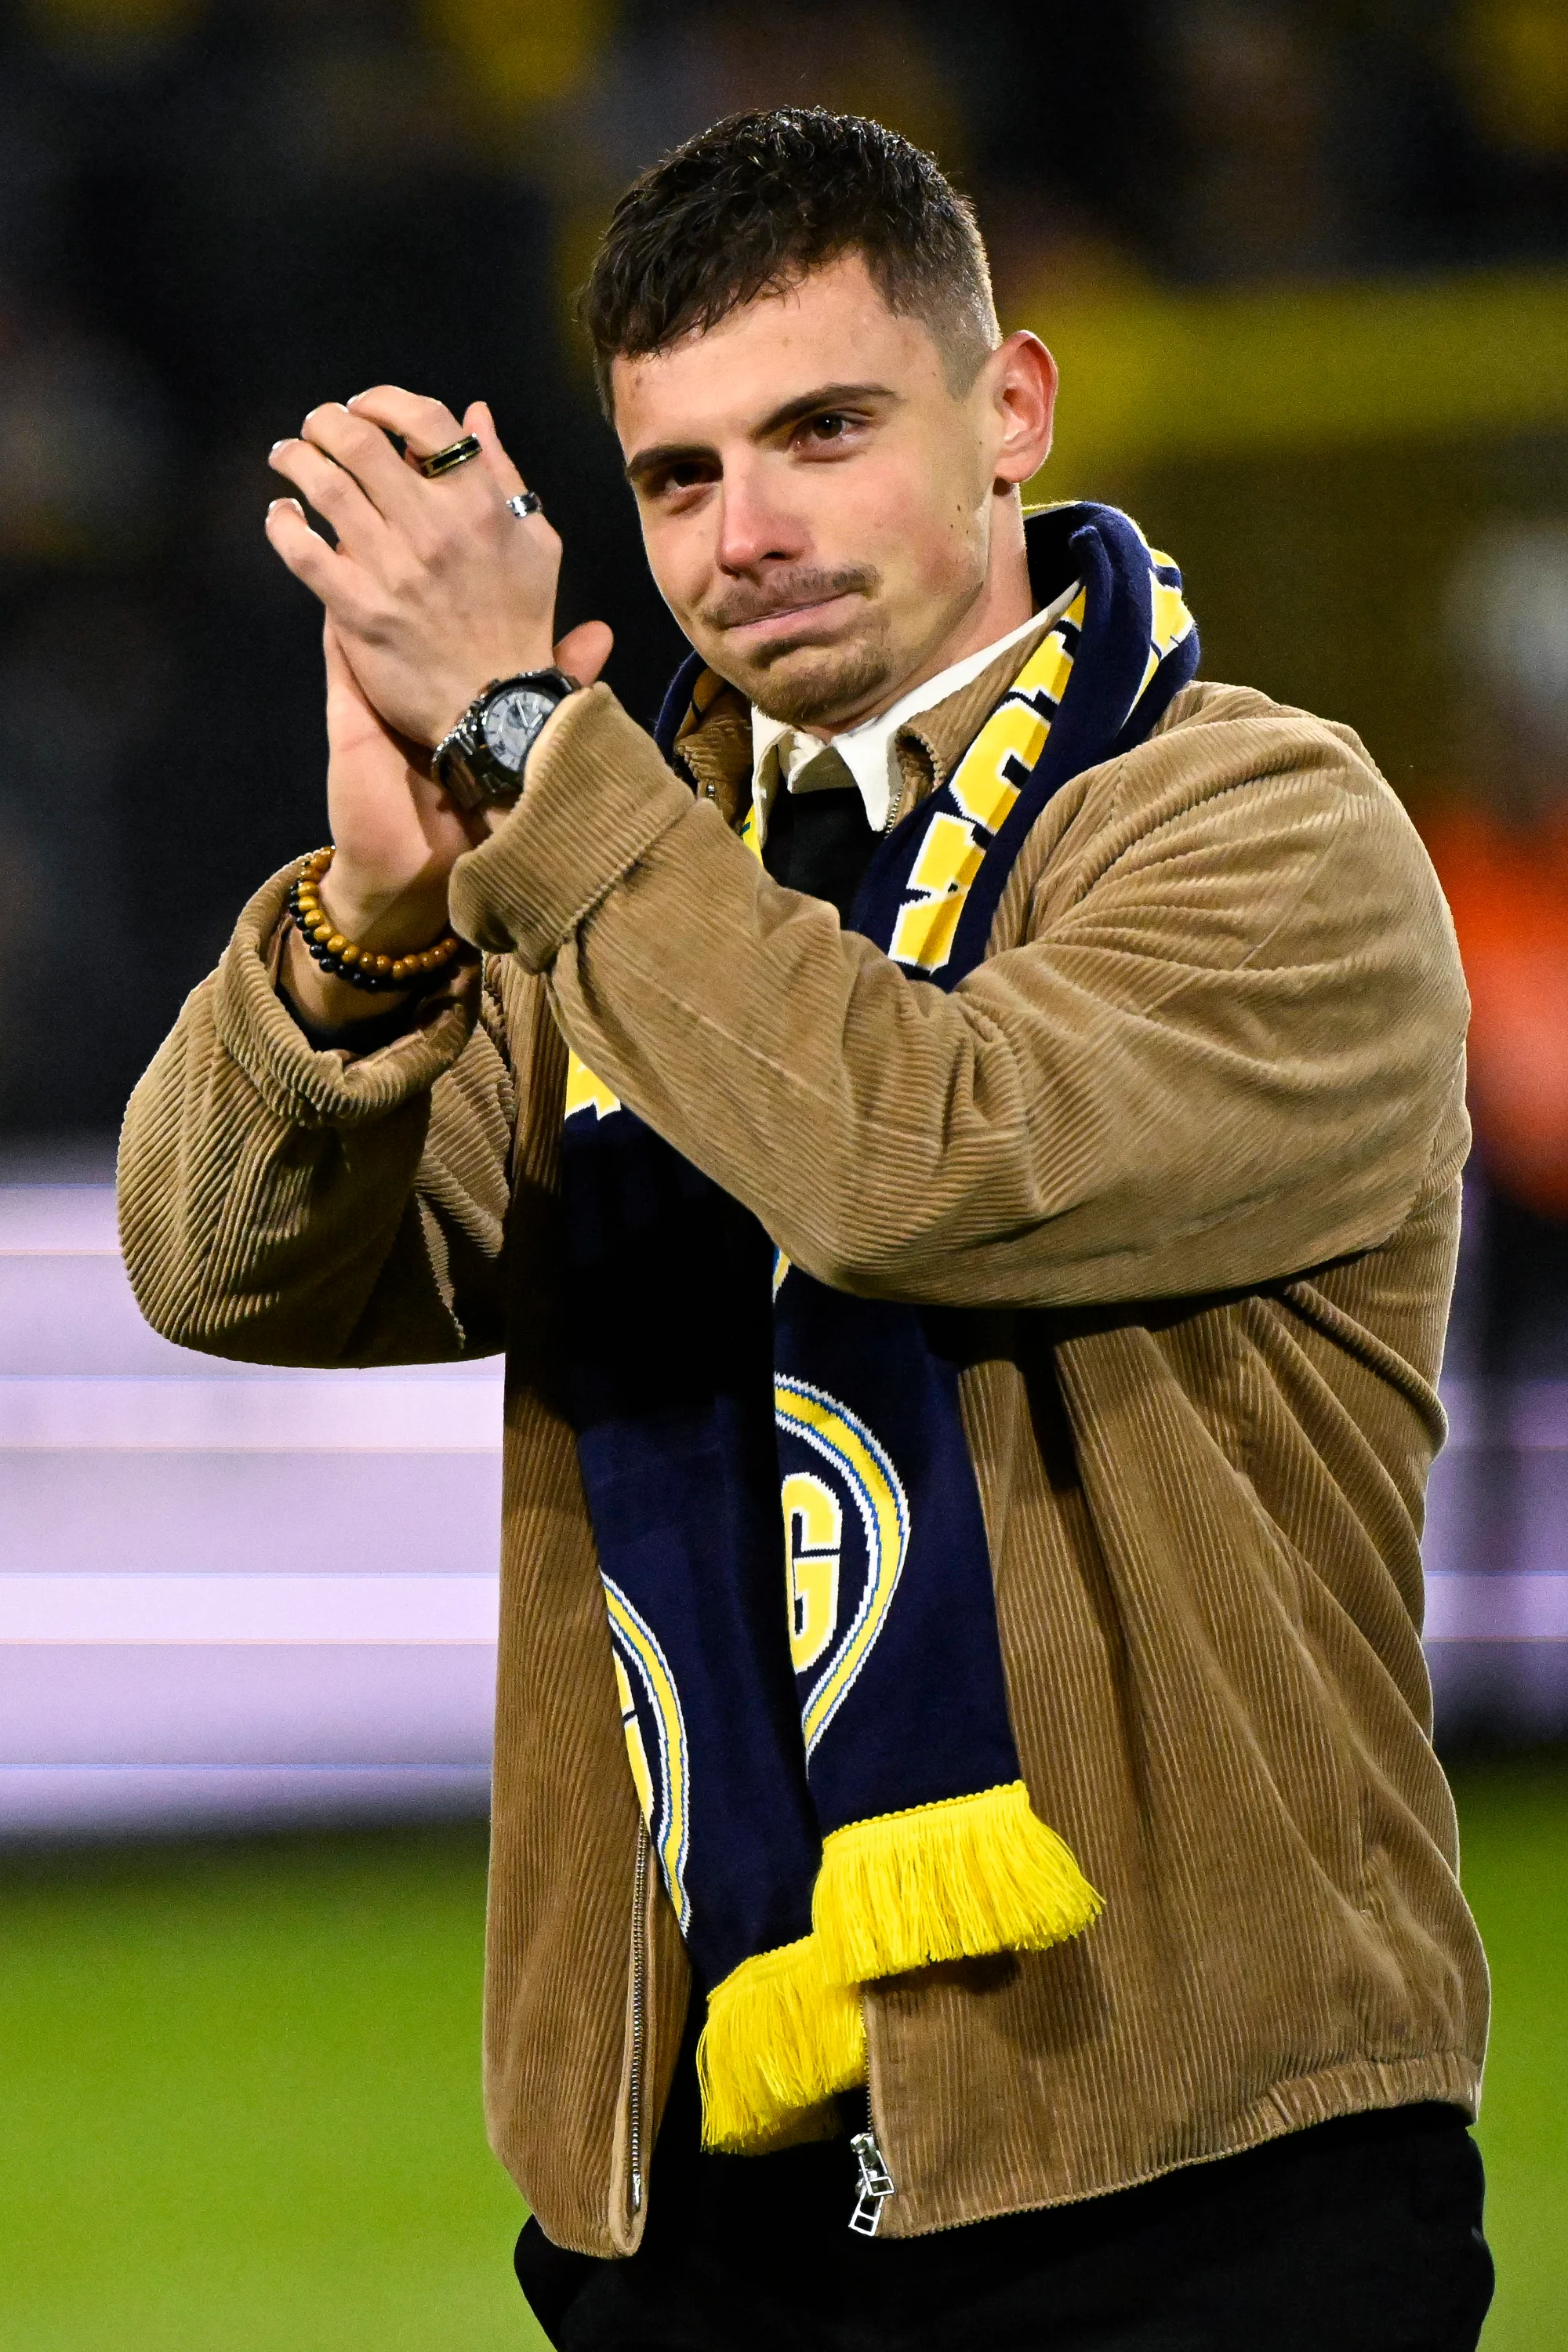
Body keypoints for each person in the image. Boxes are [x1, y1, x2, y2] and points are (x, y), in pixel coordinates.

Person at [120, 109, 1493, 2352]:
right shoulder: (614, 881)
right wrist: (375, 918)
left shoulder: (1264, 828)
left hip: (1200, 2189)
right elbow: (221, 1265)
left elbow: (914, 1161)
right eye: (675, 478)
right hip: (693, 2216)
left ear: (1012, 412)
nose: (745, 535)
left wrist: (527, 750)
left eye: (825, 430)